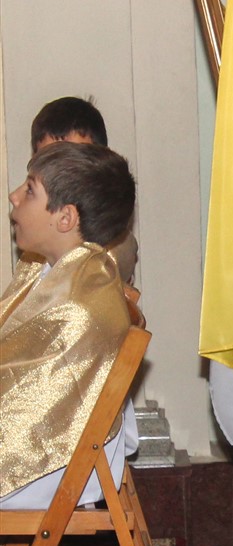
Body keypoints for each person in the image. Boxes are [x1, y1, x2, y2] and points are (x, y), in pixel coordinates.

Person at [1, 143, 137, 509]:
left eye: (30, 190)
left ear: (65, 218)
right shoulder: (52, 268)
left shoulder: (78, 306)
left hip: (51, 467)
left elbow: (28, 415)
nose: (14, 196)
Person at [29, 96, 138, 285]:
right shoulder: (33, 245)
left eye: (76, 162)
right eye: (50, 163)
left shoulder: (114, 248)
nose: (63, 175)